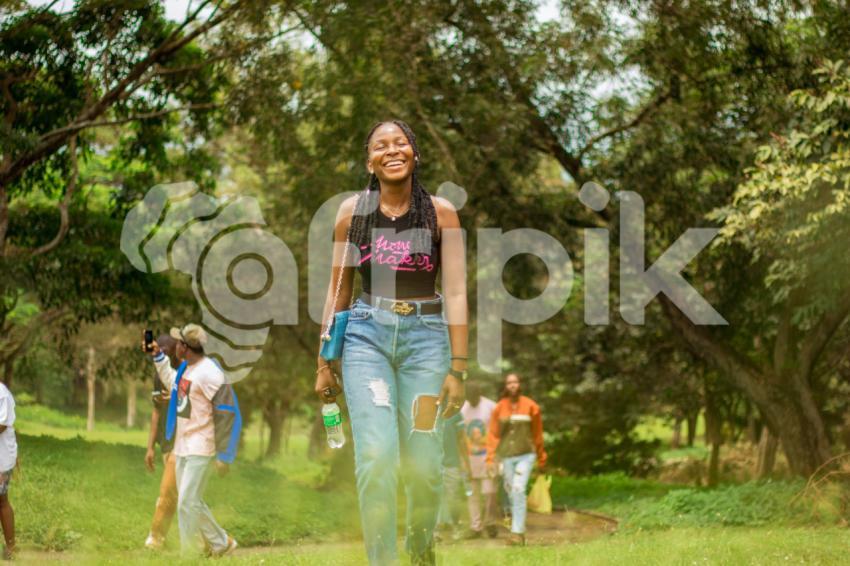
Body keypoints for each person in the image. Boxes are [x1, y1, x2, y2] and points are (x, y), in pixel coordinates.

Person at [314, 120, 468, 566]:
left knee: (424, 464)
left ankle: (421, 552)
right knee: (377, 457)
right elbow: (338, 291)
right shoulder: (352, 215)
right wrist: (325, 360)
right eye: (381, 145)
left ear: (415, 154)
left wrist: (458, 368)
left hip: (427, 343)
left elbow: (456, 291)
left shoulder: (441, 214)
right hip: (367, 338)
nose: (392, 150)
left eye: (400, 143)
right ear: (370, 161)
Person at [143, 323, 241, 557]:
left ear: (185, 347)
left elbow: (228, 411)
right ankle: (221, 543)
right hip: (182, 446)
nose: (175, 346)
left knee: (186, 501)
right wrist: (157, 356)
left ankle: (188, 556)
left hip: (201, 447)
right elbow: (172, 382)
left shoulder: (211, 373)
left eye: (178, 343)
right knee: (192, 501)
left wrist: (225, 455)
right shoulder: (187, 368)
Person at [486, 373, 547, 546]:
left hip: (525, 455)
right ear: (505, 386)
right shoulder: (499, 408)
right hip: (506, 457)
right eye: (509, 383)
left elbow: (537, 434)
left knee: (519, 489)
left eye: (515, 382)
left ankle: (517, 533)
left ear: (520, 384)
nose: (512, 385)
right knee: (512, 493)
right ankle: (517, 531)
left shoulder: (531, 406)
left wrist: (542, 459)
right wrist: (490, 459)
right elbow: (493, 435)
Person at [144, 334, 186, 550]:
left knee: (173, 490)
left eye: (166, 349)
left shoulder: (185, 374)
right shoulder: (159, 376)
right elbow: (156, 412)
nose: (163, 352)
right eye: (159, 349)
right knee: (174, 491)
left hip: (182, 438)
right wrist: (150, 447)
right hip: (165, 439)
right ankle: (160, 538)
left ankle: (157, 537)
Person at [460, 381, 499, 539]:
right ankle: (475, 527)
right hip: (470, 459)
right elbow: (461, 435)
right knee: (472, 494)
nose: (472, 400)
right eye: (468, 397)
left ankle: (490, 523)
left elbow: (498, 432)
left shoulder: (491, 406)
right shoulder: (463, 408)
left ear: (479, 393)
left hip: (489, 456)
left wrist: (497, 454)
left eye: (474, 396)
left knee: (489, 492)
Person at [436, 412, 468, 542]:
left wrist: (465, 461)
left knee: (453, 497)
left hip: (452, 462)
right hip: (433, 462)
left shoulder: (455, 413)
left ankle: (456, 527)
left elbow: (461, 438)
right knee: (434, 497)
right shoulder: (428, 407)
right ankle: (435, 531)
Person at [0, 382, 16, 560]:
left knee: (2, 501)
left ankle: (11, 547)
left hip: (1, 458)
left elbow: (2, 424)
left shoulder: (1, 393)